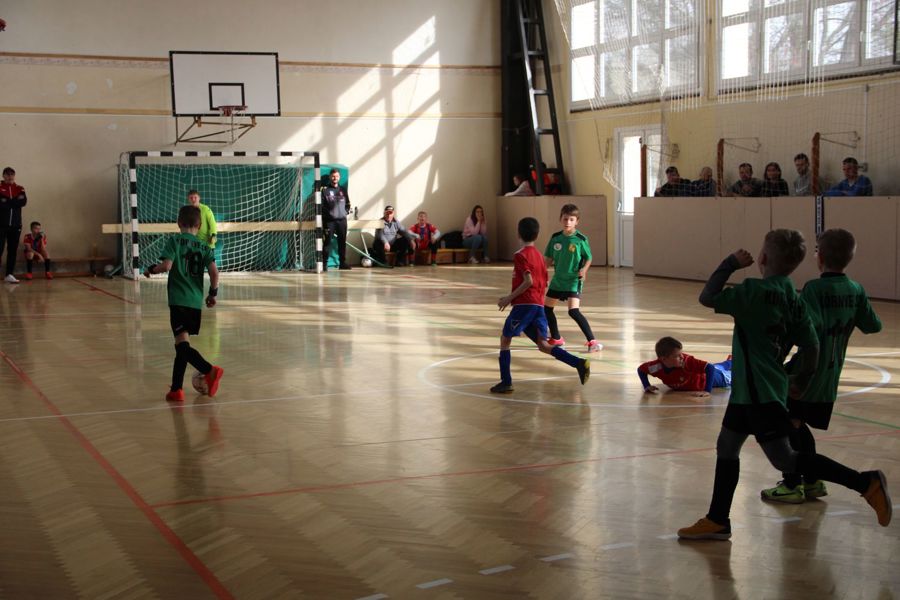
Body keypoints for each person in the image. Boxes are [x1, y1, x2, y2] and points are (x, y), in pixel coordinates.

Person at [677, 229, 892, 540]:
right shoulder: (793, 297)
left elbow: (707, 296)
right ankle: (718, 520)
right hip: (755, 389)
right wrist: (802, 378)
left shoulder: (753, 291)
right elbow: (812, 344)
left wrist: (730, 263)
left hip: (758, 394)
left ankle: (865, 482)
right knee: (727, 446)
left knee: (785, 459)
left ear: (762, 258)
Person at [761, 228, 882, 503]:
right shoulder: (855, 289)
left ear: (820, 257)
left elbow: (804, 328)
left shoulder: (814, 289)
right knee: (797, 423)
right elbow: (873, 325)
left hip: (806, 371)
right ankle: (813, 481)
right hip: (830, 375)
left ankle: (793, 484)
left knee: (787, 424)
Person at [490, 217, 590, 394]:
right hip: (538, 305)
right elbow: (544, 281)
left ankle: (506, 382)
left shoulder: (520, 255)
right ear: (536, 235)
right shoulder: (539, 256)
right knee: (543, 345)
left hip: (524, 306)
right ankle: (579, 363)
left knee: (505, 340)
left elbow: (528, 281)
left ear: (518, 233)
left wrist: (508, 298)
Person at [144, 205, 224, 403]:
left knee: (182, 346)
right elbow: (215, 273)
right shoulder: (205, 247)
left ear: (179, 223)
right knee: (182, 344)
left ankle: (210, 370)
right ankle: (176, 390)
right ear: (200, 225)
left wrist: (151, 269)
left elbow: (167, 265)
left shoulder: (174, 241)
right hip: (195, 303)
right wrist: (212, 294)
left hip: (178, 300)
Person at [543, 204, 602, 353]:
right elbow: (548, 259)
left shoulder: (581, 239)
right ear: (560, 219)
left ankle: (592, 341)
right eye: (565, 219)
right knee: (547, 309)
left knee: (573, 311)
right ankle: (556, 338)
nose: (567, 222)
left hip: (573, 280)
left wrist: (584, 270)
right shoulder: (555, 238)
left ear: (577, 221)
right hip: (558, 280)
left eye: (571, 219)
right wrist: (542, 274)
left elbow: (588, 258)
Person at [638, 337, 731, 397]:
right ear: (664, 359)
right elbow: (641, 370)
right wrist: (646, 386)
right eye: (677, 356)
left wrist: (707, 391)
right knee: (719, 367)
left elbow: (710, 368)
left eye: (681, 353)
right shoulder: (656, 367)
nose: (682, 357)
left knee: (736, 375)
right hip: (711, 371)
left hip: (716, 378)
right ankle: (730, 361)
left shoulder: (686, 362)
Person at [321, 168, 352, 270]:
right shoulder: (325, 190)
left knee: (342, 242)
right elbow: (321, 206)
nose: (335, 178)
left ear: (339, 177)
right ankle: (324, 264)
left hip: (342, 221)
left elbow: (348, 204)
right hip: (329, 222)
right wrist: (329, 215)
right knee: (327, 242)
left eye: (337, 176)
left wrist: (344, 212)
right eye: (333, 176)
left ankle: (342, 263)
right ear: (330, 177)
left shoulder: (343, 190)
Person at [0, 166, 26, 283]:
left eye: (12, 174)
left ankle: (9, 274)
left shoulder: (20, 188)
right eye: (7, 174)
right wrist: (14, 202)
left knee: (12, 250)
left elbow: (23, 202)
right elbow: (1, 204)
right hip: (1, 225)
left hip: (16, 225)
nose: (10, 176)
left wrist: (6, 201)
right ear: (3, 176)